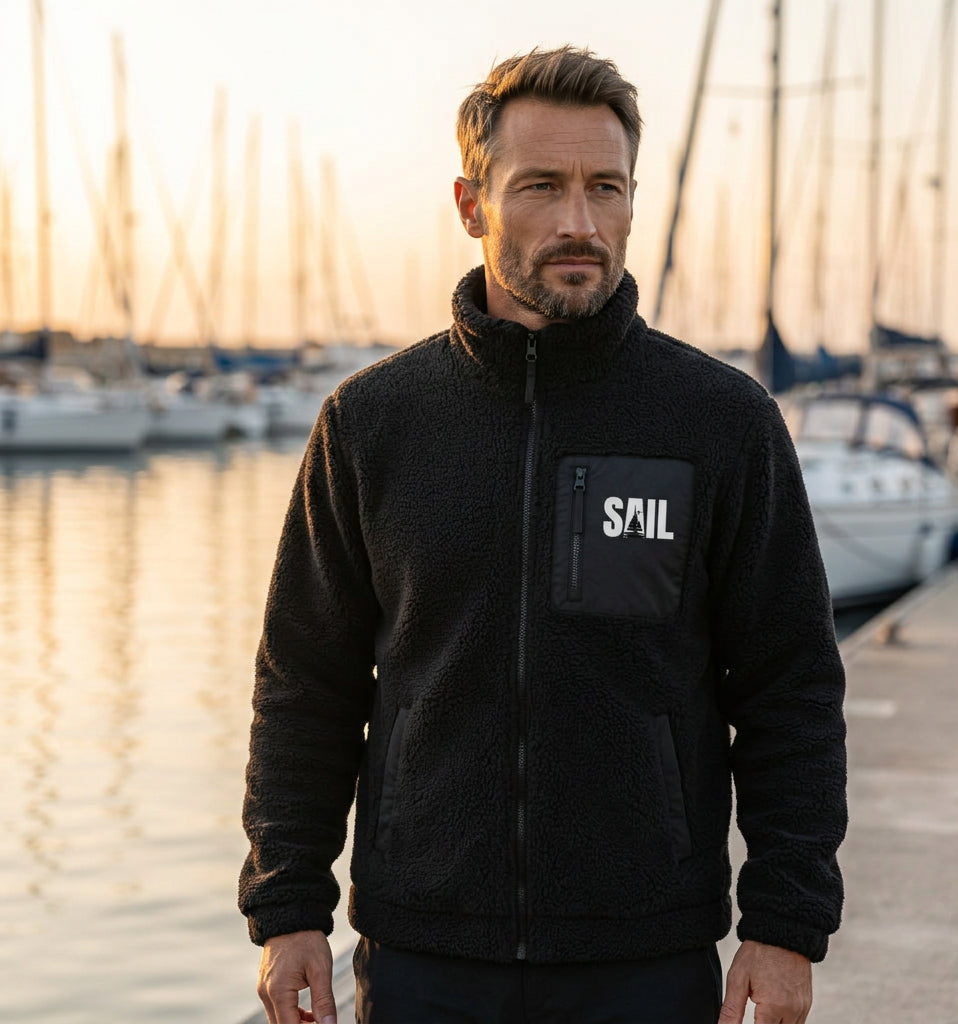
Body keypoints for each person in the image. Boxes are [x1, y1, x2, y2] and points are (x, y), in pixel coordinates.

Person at [240, 46, 847, 1024]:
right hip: (424, 955)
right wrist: (287, 905)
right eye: (541, 186)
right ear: (470, 204)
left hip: (645, 956)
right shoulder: (371, 423)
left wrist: (784, 924)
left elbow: (792, 690)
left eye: (606, 187)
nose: (579, 222)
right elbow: (305, 685)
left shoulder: (720, 422)